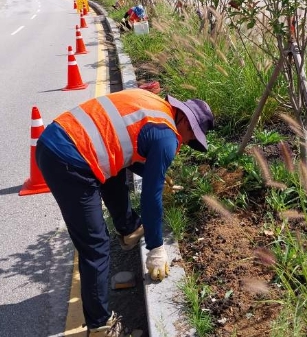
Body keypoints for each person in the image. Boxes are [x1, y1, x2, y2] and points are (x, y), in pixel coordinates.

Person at [35, 88, 214, 336]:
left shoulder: (153, 105)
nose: (184, 142)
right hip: (69, 161)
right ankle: (100, 326)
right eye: (190, 135)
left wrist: (156, 174)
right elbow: (151, 198)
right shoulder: (167, 136)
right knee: (95, 245)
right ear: (183, 119)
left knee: (115, 169)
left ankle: (129, 228)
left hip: (57, 139)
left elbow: (126, 149)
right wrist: (156, 248)